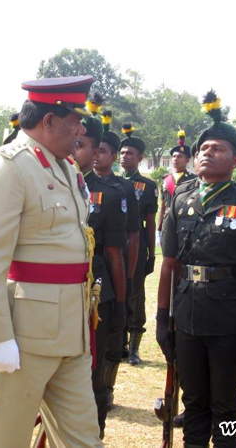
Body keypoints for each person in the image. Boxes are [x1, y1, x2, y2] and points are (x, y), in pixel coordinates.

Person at [0, 75, 104, 448]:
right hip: (25, 334)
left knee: (83, 438)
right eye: (75, 121)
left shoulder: (66, 167)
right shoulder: (8, 167)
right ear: (49, 120)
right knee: (6, 438)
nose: (81, 130)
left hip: (71, 329)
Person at [157, 91, 236, 448]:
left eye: (217, 149)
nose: (207, 153)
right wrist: (162, 319)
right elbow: (169, 265)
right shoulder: (181, 199)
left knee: (225, 407)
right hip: (187, 316)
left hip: (228, 320)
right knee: (193, 403)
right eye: (203, 148)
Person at [74, 111, 127, 439]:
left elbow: (116, 253)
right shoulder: (52, 183)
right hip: (54, 291)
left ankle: (95, 433)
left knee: (93, 371)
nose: (72, 149)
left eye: (80, 144)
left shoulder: (109, 193)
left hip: (96, 290)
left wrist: (120, 304)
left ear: (95, 153)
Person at [93, 113, 140, 407]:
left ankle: (105, 388)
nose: (96, 155)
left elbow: (132, 238)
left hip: (110, 271)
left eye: (102, 151)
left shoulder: (122, 189)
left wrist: (129, 278)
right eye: (93, 149)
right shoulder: (75, 182)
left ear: (112, 157)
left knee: (110, 335)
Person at [119, 123, 158, 366]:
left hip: (137, 244)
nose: (125, 156)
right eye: (122, 153)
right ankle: (119, 343)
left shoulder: (147, 185)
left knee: (134, 294)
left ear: (140, 157)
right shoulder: (112, 182)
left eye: (130, 153)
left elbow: (151, 223)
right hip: (116, 242)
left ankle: (134, 348)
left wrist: (151, 254)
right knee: (117, 294)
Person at [157, 130, 196, 245]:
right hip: (168, 222)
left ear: (187, 160)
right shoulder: (166, 179)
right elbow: (162, 207)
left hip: (186, 222)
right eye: (174, 156)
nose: (175, 159)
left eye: (179, 156)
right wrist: (158, 229)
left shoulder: (194, 180)